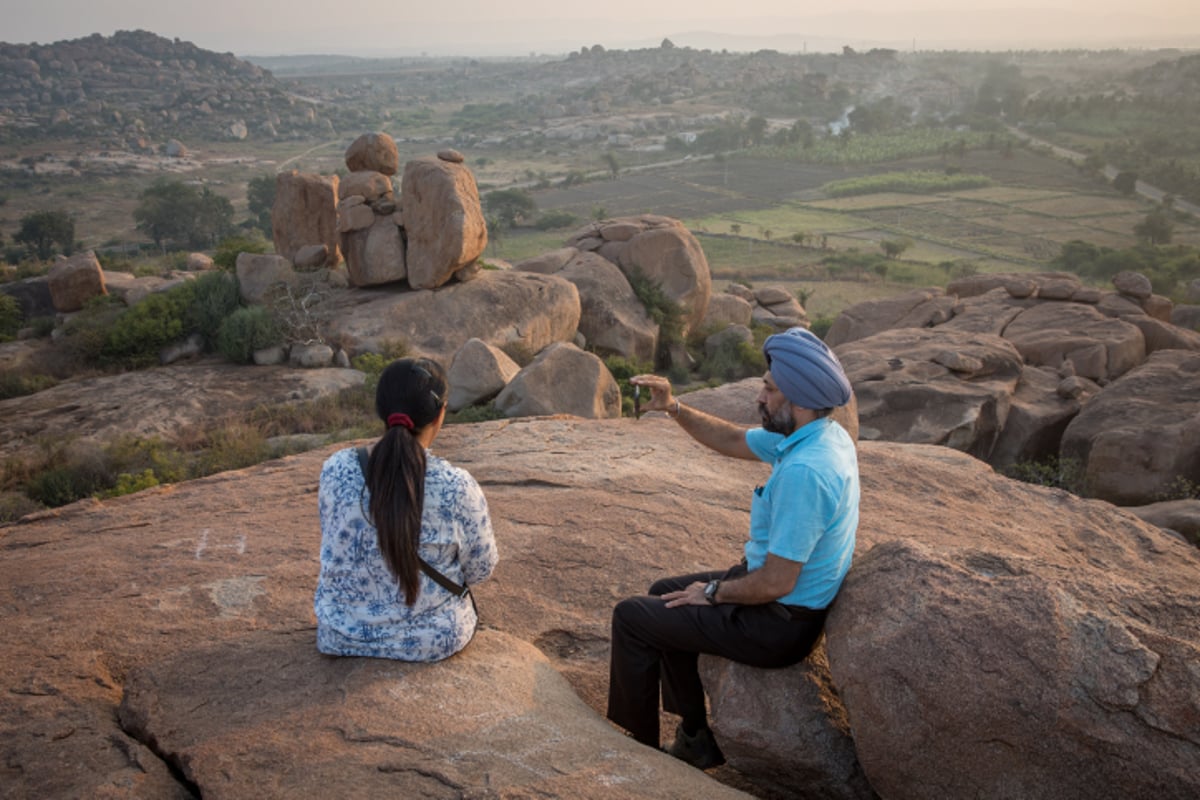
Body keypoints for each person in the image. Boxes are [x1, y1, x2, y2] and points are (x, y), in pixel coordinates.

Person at [606, 326, 859, 769]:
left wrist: (711, 592)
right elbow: (731, 439)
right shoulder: (815, 434)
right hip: (777, 603)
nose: (760, 397)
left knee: (632, 618)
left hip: (779, 625)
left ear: (798, 398)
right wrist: (674, 407)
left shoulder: (808, 471)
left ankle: (636, 751)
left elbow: (778, 581)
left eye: (769, 389)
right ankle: (694, 735)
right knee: (663, 590)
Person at [314, 357, 498, 661]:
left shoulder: (336, 469)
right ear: (440, 415)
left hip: (341, 634)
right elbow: (480, 569)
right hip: (432, 641)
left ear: (381, 410)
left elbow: (333, 539)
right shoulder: (457, 487)